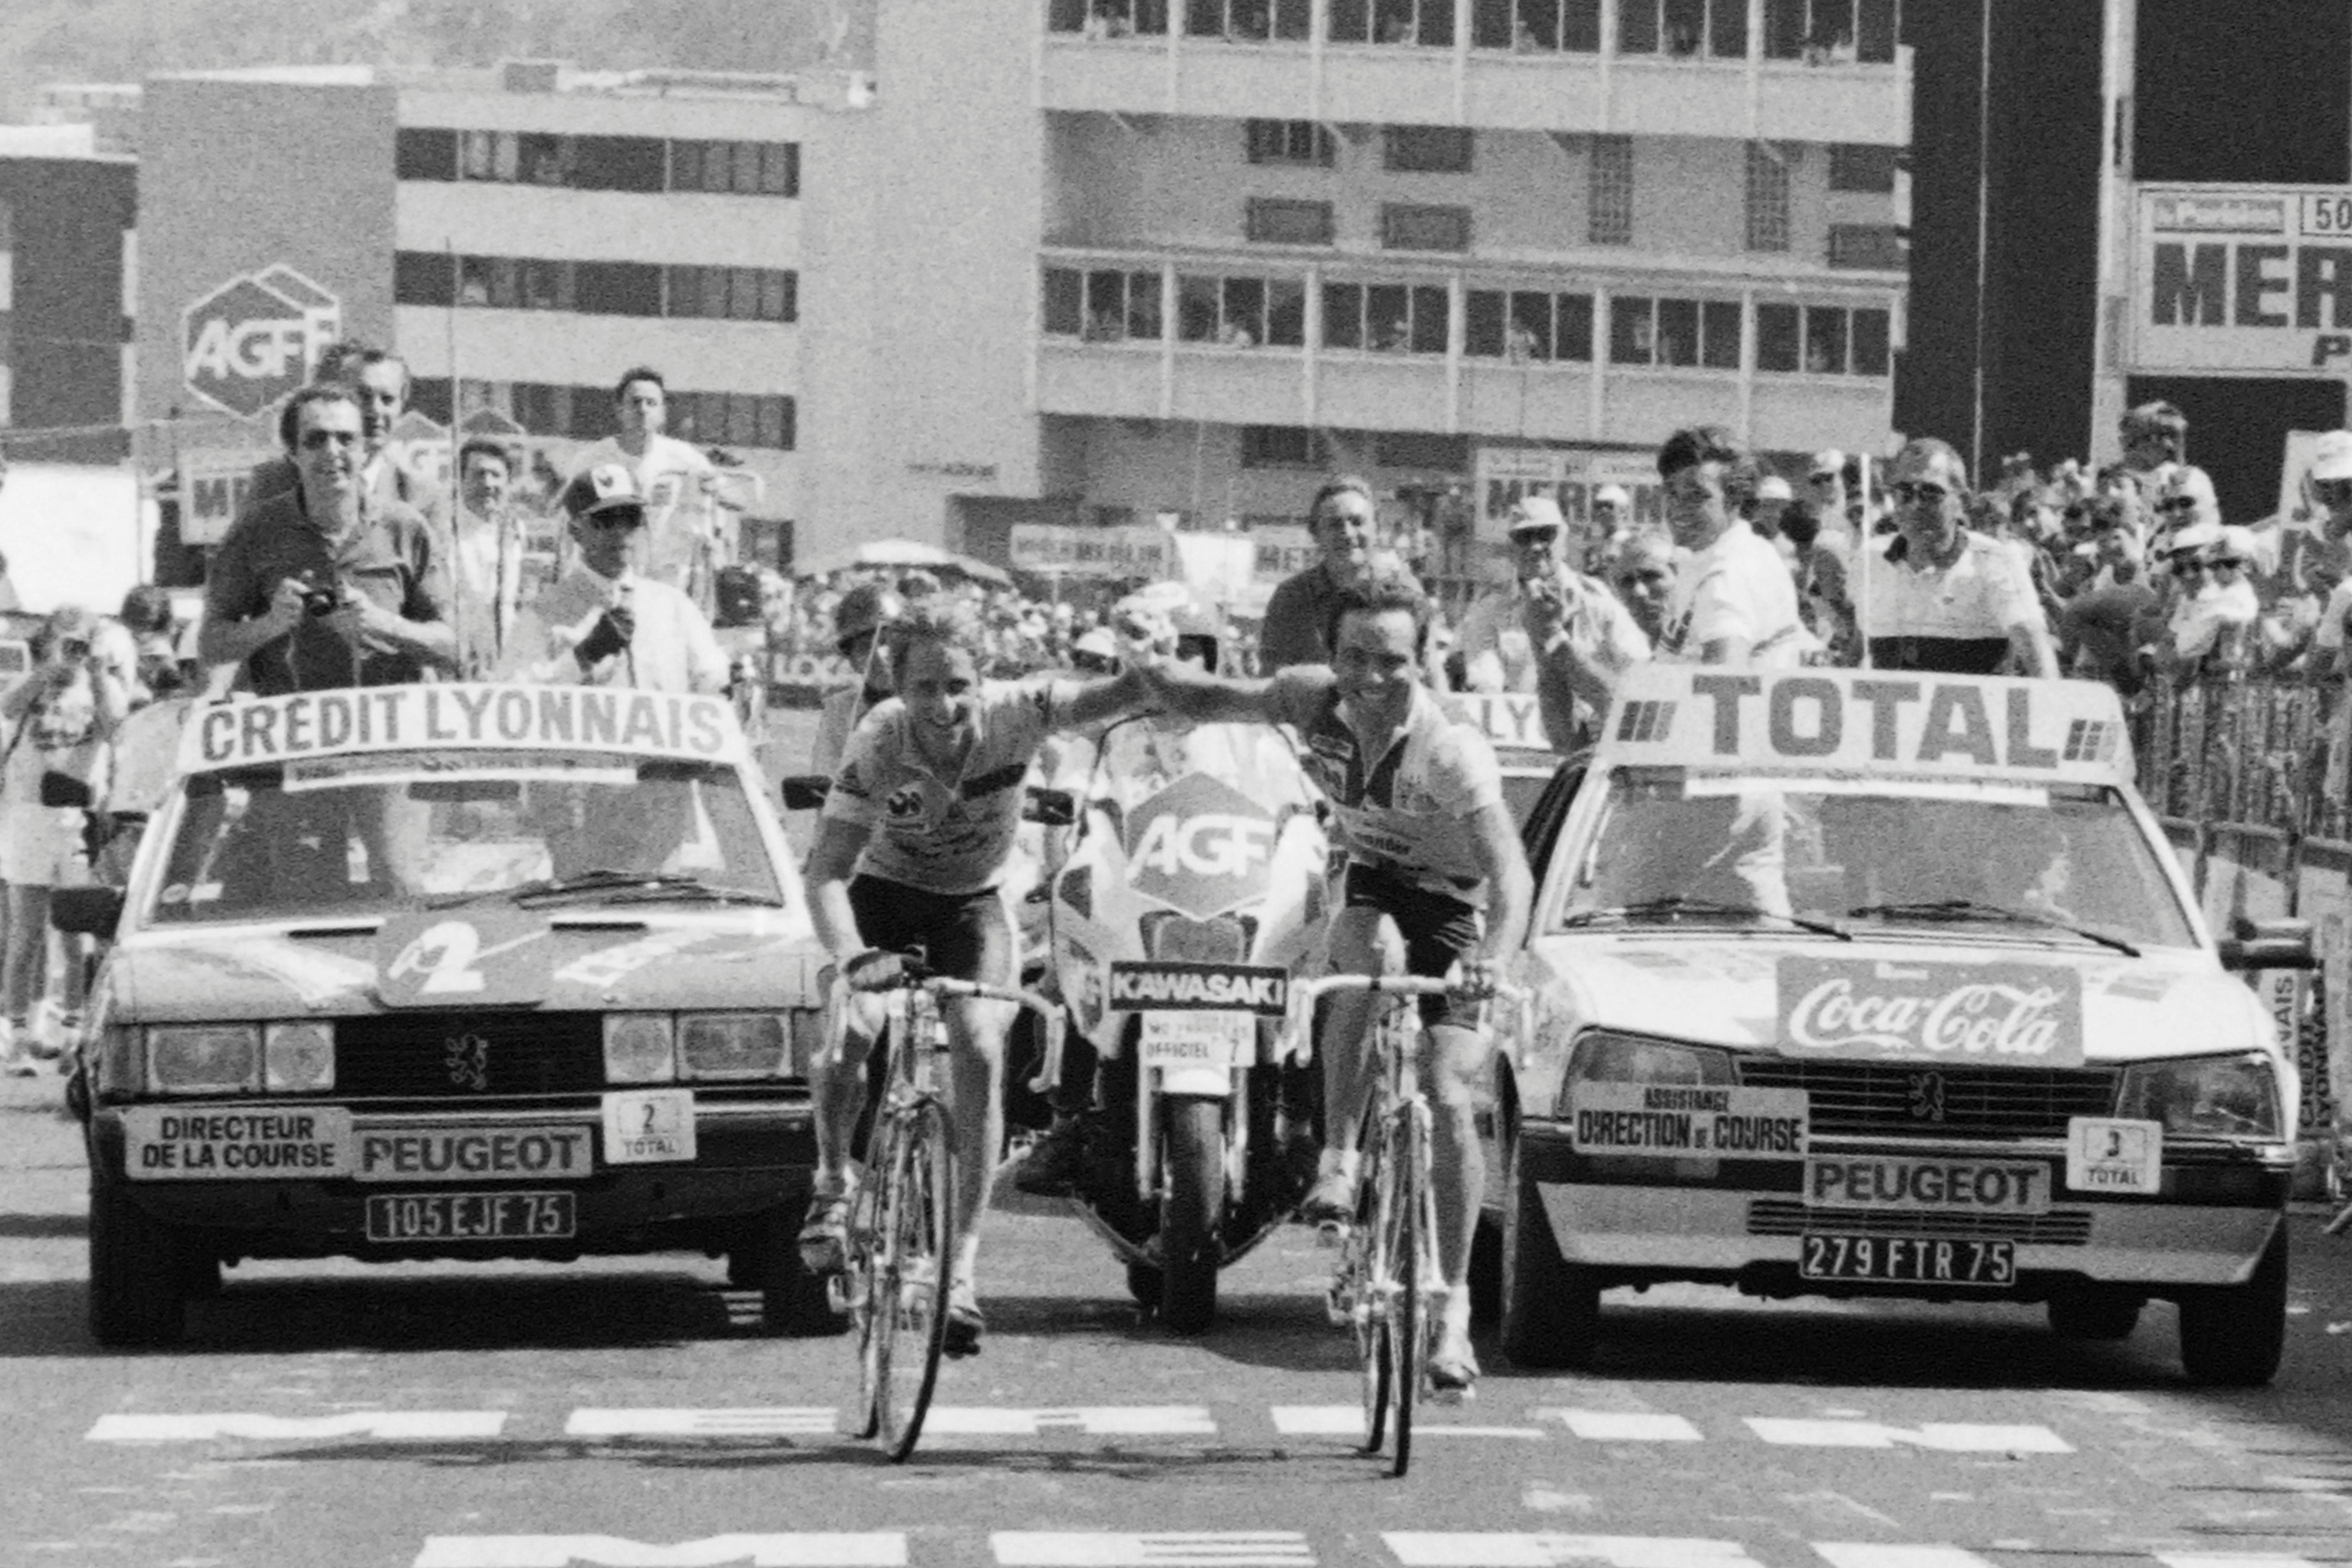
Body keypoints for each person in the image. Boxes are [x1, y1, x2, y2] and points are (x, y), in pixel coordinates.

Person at [1137, 572, 1532, 1394]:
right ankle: (1341, 1160)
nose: (1372, 679)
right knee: (1367, 955)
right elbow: (1213, 698)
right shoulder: (1309, 701)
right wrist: (1139, 675)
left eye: (1392, 661)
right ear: (1331, 657)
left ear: (1423, 660)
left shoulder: (1450, 747)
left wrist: (1492, 955)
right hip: (1379, 886)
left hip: (1461, 912)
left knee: (1450, 1092)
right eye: (1355, 658)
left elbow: (1512, 875)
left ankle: (1453, 1309)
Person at [801, 600, 1156, 1355]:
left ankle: (959, 1265)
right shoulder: (879, 736)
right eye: (925, 686)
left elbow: (1118, 695)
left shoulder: (1019, 712)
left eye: (959, 684)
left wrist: (1166, 675)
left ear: (983, 677)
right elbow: (827, 870)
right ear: (898, 685)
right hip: (882, 894)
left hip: (970, 904)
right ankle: (833, 1179)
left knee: (982, 1045)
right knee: (849, 1031)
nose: (944, 705)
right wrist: (850, 958)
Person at [199, 385, 455, 695]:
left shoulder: (406, 527)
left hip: (388, 732)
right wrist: (270, 625)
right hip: (295, 733)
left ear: (364, 450)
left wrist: (385, 624)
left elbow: (452, 647)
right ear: (294, 453)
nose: (332, 452)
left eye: (346, 439)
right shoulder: (255, 531)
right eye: (316, 440)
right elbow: (211, 645)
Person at [0, 607, 128, 1074]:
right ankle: (17, 1036)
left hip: (77, 820)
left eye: (82, 643)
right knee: (25, 933)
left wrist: (94, 674)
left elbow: (116, 728)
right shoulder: (35, 683)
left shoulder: (99, 686)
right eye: (67, 643)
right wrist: (47, 674)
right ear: (51, 642)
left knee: (77, 937)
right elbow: (9, 708)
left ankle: (73, 1036)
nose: (74, 652)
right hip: (28, 816)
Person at [501, 464, 728, 694]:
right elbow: (510, 696)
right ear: (577, 531)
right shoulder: (544, 612)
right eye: (605, 520)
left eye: (630, 518)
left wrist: (729, 681)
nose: (620, 531)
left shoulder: (674, 607)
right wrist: (583, 656)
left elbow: (712, 681)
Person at [1858, 437, 2054, 676]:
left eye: (1931, 493)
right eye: (1904, 493)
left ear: (1961, 501)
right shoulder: (1870, 558)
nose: (1916, 505)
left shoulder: (1994, 561)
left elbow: (2037, 653)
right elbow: (1860, 644)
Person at [242, 343, 446, 531]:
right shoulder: (274, 484)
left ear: (402, 407)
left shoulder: (422, 497)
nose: (375, 410)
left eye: (388, 399)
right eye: (363, 396)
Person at [1654, 425, 1807, 665]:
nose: (1678, 508)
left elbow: (1723, 685)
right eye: (1672, 493)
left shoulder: (1725, 578)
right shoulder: (1743, 548)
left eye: (1697, 495)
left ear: (1735, 500)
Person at [568, 367, 723, 598]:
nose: (643, 410)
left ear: (663, 413)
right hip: (609, 586)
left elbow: (730, 498)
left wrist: (720, 489)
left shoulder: (686, 460)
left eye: (652, 403)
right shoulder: (591, 461)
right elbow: (571, 524)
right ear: (619, 410)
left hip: (667, 586)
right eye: (635, 402)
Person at [1259, 476, 1386, 671]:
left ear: (1377, 529)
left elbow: (1429, 683)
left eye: (1357, 522)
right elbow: (1272, 681)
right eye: (1335, 525)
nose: (1348, 533)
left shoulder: (1403, 596)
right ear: (1316, 535)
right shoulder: (1291, 598)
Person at [1454, 497, 1568, 695]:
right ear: (1512, 549)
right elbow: (1486, 683)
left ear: (1562, 541)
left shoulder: (1596, 602)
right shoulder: (1489, 610)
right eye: (1525, 537)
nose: (1536, 547)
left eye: (1546, 535)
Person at [446, 437, 527, 676]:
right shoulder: (445, 531)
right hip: (458, 653)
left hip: (506, 656)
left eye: (496, 475)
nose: (488, 484)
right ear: (460, 481)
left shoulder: (515, 531)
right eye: (479, 475)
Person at [810, 583, 904, 777]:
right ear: (852, 660)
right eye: (865, 648)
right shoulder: (841, 711)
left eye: (888, 642)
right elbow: (826, 779)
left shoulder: (942, 706)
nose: (879, 656)